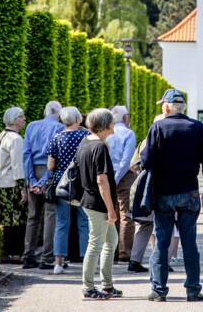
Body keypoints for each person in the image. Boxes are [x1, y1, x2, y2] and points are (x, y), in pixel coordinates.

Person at [140, 89, 203, 302]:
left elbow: (146, 161)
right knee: (190, 242)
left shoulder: (158, 127)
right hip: (190, 192)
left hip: (164, 192)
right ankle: (193, 289)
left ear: (166, 107)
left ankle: (159, 290)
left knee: (162, 242)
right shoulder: (197, 127)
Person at [76, 108, 122, 300]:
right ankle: (88, 288)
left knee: (111, 241)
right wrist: (111, 211)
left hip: (88, 199)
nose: (114, 124)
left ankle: (107, 285)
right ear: (105, 125)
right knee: (95, 244)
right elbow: (102, 181)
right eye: (112, 121)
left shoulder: (87, 141)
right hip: (98, 203)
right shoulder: (100, 147)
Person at [47, 106, 90, 274]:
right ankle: (88, 261)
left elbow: (50, 166)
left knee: (62, 223)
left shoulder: (57, 137)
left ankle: (58, 263)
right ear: (78, 119)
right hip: (82, 184)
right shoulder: (86, 136)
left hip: (62, 185)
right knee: (84, 223)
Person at [22, 100, 62, 270]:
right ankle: (46, 258)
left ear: (45, 112)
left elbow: (26, 153)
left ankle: (27, 256)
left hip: (33, 170)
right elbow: (56, 157)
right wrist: (45, 180)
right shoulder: (59, 128)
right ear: (59, 115)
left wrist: (30, 179)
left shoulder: (31, 126)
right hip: (50, 172)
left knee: (33, 216)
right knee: (51, 215)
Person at [0, 107, 28, 262]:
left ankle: (3, 252)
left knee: (1, 220)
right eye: (21, 116)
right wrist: (22, 187)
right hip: (10, 184)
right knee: (15, 220)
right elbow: (17, 165)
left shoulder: (1, 136)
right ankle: (13, 253)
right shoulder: (16, 139)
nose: (24, 119)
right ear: (14, 120)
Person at [107, 105, 138, 263]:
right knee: (126, 214)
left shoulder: (106, 132)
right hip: (124, 177)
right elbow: (127, 160)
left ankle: (112, 252)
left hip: (107, 176)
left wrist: (111, 179)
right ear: (125, 118)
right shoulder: (128, 133)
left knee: (112, 215)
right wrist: (118, 178)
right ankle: (125, 252)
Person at [127, 138, 153, 273]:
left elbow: (132, 166)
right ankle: (164, 261)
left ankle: (135, 260)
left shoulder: (144, 141)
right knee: (168, 224)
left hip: (143, 187)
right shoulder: (172, 139)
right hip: (163, 187)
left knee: (145, 225)